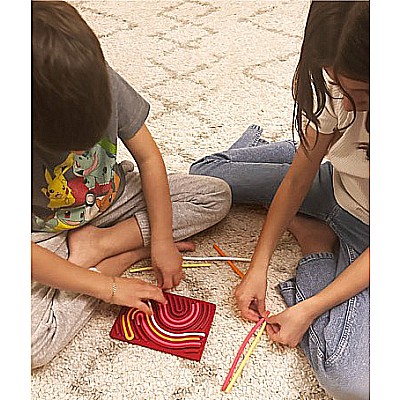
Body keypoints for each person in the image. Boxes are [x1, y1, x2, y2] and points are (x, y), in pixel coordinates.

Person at [31, 1, 231, 369]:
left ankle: (101, 243)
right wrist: (107, 286)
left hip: (112, 197)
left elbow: (149, 159)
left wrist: (163, 241)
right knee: (30, 346)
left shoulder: (99, 78)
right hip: (42, 233)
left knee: (215, 194)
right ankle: (114, 257)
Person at [190, 2, 369, 399]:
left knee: (351, 382)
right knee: (206, 175)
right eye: (338, 87)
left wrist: (307, 308)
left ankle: (316, 242)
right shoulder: (339, 81)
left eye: (359, 95)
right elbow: (299, 177)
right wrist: (258, 266)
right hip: (336, 185)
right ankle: (315, 144)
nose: (345, 101)